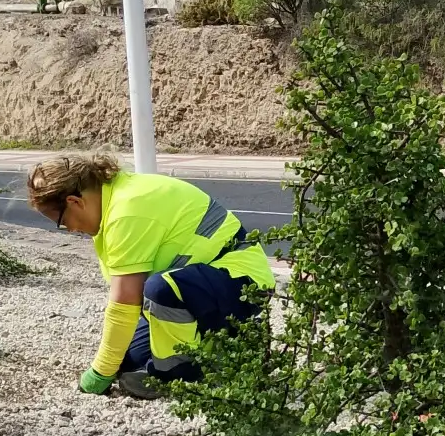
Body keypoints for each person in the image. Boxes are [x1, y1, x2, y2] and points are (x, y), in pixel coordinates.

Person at [25, 154, 275, 399]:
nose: (69, 229)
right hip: (204, 287)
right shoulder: (112, 201)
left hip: (243, 284)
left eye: (60, 221)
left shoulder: (127, 211)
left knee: (160, 290)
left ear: (74, 201)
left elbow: (125, 301)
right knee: (130, 357)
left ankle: (177, 377)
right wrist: (114, 361)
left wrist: (101, 372)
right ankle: (223, 349)